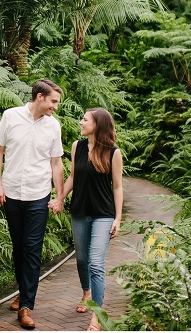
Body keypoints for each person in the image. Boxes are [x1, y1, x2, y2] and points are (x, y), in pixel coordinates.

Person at [0, 79, 65, 330]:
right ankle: (23, 293)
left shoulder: (54, 126)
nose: (55, 106)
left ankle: (26, 306)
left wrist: (59, 196)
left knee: (33, 248)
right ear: (40, 97)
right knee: (18, 246)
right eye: (53, 101)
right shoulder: (10, 116)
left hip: (38, 195)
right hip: (11, 192)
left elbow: (57, 163)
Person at [49, 108, 123, 331]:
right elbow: (73, 176)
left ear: (98, 125)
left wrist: (118, 218)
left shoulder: (113, 152)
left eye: (85, 119)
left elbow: (118, 187)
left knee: (96, 265)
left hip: (103, 214)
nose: (80, 122)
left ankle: (97, 315)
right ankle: (86, 293)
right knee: (82, 260)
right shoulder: (77, 147)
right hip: (79, 211)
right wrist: (59, 198)